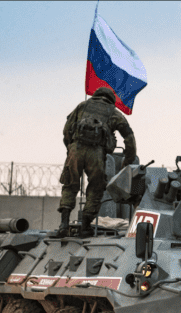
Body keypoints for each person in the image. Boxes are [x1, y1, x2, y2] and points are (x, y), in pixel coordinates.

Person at [55, 87, 136, 237]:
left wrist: (70, 148)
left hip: (76, 149)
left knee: (70, 185)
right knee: (96, 188)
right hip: (97, 153)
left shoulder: (82, 106)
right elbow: (129, 138)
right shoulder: (114, 112)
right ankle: (86, 227)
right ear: (111, 99)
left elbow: (66, 130)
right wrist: (128, 160)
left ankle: (64, 224)